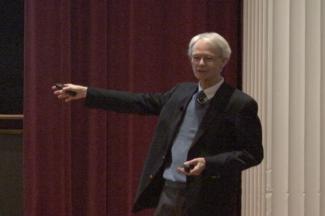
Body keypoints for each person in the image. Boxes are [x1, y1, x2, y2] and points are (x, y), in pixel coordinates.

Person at [53, 32, 263, 216]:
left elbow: (251, 154)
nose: (200, 64)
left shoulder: (239, 104)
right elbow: (138, 102)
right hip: (170, 189)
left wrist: (209, 163)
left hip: (210, 196)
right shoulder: (180, 93)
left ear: (223, 61)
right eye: (196, 58)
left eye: (208, 59)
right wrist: (89, 93)